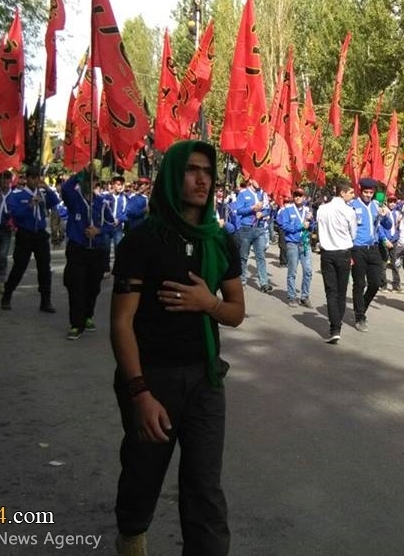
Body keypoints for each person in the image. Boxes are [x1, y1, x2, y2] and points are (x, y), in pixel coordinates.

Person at [110, 140, 245, 556]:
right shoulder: (142, 241)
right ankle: (131, 534)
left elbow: (236, 312)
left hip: (205, 379)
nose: (202, 179)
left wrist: (209, 304)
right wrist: (140, 393)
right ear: (172, 176)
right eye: (191, 170)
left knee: (205, 487)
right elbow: (121, 323)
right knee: (142, 477)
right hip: (153, 381)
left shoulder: (220, 242)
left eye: (207, 171)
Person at [61, 163, 116, 340]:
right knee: (76, 286)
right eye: (87, 180)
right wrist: (81, 173)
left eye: (92, 180)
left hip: (96, 251)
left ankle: (88, 315)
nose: (89, 183)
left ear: (96, 183)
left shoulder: (102, 202)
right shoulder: (74, 198)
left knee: (93, 287)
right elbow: (66, 187)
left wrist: (98, 231)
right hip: (77, 249)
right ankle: (76, 324)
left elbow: (112, 225)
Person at [0, 164, 61, 313]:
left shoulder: (42, 193)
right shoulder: (18, 195)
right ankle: (7, 294)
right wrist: (29, 204)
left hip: (40, 234)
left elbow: (55, 202)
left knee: (44, 269)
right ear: (27, 179)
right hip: (25, 234)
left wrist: (46, 188)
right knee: (19, 266)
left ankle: (45, 300)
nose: (35, 181)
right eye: (33, 178)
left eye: (38, 178)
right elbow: (14, 214)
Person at [349, 177, 393, 332]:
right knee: (359, 284)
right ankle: (359, 317)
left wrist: (386, 215)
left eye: (371, 192)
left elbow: (387, 226)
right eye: (366, 192)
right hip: (357, 249)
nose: (368, 195)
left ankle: (362, 308)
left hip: (373, 248)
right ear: (360, 191)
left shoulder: (377, 205)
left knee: (375, 283)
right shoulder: (352, 206)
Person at [315, 181, 356, 343]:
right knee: (341, 291)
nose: (353, 196)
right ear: (342, 193)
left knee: (331, 291)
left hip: (327, 253)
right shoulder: (349, 211)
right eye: (351, 193)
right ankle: (337, 325)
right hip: (343, 252)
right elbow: (353, 234)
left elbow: (319, 229)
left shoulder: (322, 209)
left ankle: (335, 327)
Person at [275, 188, 314, 307]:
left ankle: (304, 296)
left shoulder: (308, 210)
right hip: (292, 244)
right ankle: (291, 296)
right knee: (292, 271)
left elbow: (312, 227)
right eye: (295, 195)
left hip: (305, 244)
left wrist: (311, 222)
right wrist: (300, 226)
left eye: (300, 195)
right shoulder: (287, 210)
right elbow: (284, 226)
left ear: (305, 198)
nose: (297, 197)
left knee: (308, 271)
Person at [233, 177, 272, 293]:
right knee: (243, 256)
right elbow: (238, 210)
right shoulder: (243, 193)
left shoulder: (263, 193)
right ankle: (242, 281)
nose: (260, 181)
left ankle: (264, 283)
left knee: (260, 256)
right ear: (251, 180)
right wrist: (252, 208)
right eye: (257, 179)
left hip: (259, 229)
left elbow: (267, 209)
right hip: (246, 228)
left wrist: (262, 214)